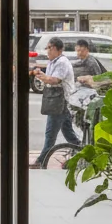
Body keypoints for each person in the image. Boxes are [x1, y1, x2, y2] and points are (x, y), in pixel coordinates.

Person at [31, 37, 79, 167]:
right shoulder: (53, 62)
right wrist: (41, 74)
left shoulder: (62, 62)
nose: (48, 51)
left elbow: (55, 80)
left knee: (50, 133)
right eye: (47, 48)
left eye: (50, 48)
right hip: (58, 101)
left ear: (58, 49)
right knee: (68, 133)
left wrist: (43, 76)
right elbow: (49, 78)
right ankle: (85, 154)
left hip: (61, 101)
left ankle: (41, 161)